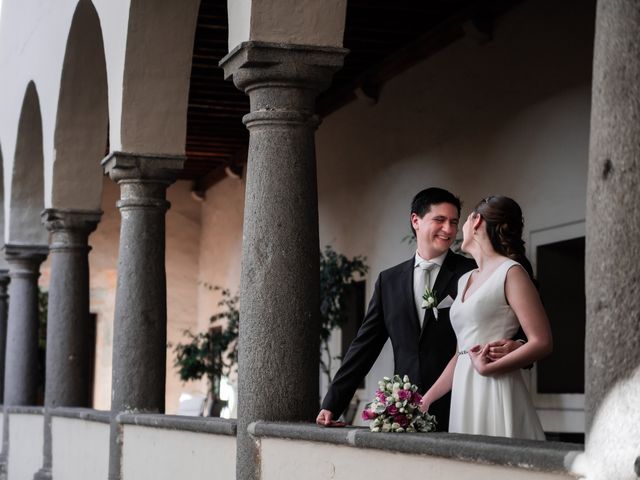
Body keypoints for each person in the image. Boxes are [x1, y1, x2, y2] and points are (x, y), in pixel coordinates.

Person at [316, 188, 523, 430]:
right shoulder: (388, 281)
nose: (448, 229)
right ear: (416, 220)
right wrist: (332, 403)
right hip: (405, 409)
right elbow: (364, 346)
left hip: (465, 400)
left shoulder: (473, 271)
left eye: (454, 222)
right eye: (440, 220)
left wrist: (516, 345)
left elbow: (509, 322)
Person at [419, 195, 552, 439]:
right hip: (464, 391)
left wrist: (490, 369)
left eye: (464, 220)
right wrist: (424, 400)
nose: (460, 228)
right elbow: (460, 355)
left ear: (476, 220)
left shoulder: (511, 272)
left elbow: (542, 341)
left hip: (495, 387)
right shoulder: (464, 280)